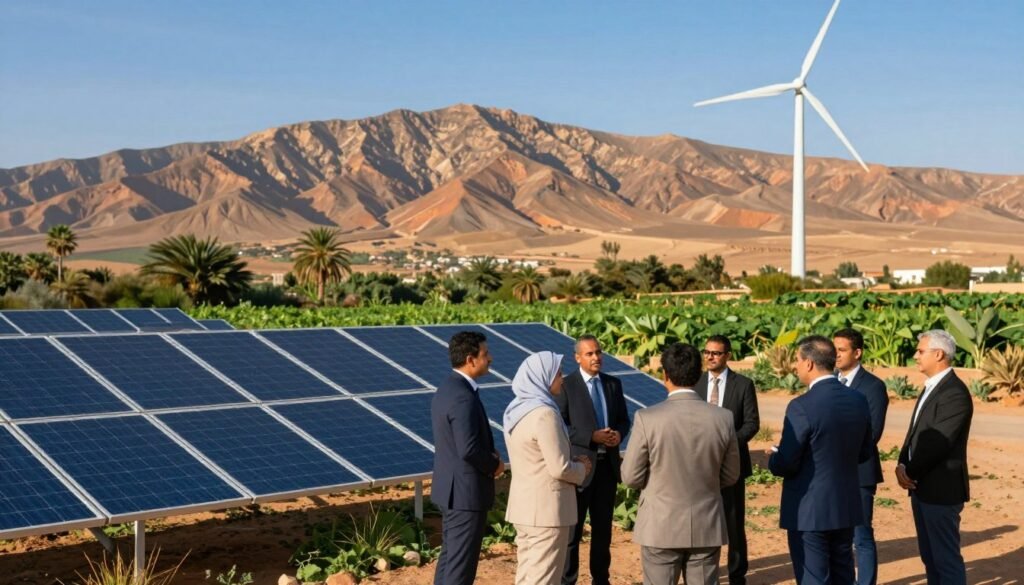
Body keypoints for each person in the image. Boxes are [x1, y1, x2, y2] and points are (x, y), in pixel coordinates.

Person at [620, 342, 740, 585]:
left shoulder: (647, 418)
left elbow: (631, 477)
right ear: (698, 375)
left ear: (665, 374)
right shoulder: (723, 418)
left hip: (660, 526)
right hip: (707, 525)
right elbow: (731, 475)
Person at [769, 336, 873, 585]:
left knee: (813, 577)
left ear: (809, 364)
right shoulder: (857, 399)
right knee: (843, 574)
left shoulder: (801, 406)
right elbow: (865, 451)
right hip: (845, 504)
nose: (795, 366)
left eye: (797, 360)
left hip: (810, 510)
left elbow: (787, 462)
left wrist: (775, 458)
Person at [504, 351, 592, 585]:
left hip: (525, 508)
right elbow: (560, 467)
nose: (562, 379)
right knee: (544, 579)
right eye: (557, 374)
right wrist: (582, 468)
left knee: (527, 575)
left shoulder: (516, 411)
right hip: (546, 512)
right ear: (542, 377)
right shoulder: (544, 414)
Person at [897, 330, 973, 585]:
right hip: (922, 487)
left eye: (921, 351)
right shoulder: (933, 387)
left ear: (938, 354)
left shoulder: (953, 393)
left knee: (945, 560)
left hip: (941, 490)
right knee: (930, 558)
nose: (915, 356)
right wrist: (901, 463)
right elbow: (916, 430)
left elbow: (937, 444)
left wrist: (910, 471)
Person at [555, 334, 632, 585]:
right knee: (573, 532)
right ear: (578, 357)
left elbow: (623, 419)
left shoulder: (612, 384)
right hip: (580, 467)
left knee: (603, 530)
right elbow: (561, 426)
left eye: (598, 352)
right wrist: (592, 436)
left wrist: (618, 434)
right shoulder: (566, 386)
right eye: (589, 354)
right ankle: (569, 580)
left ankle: (601, 579)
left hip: (607, 469)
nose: (596, 357)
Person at [431, 331, 504, 585]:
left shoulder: (448, 387)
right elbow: (469, 449)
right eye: (486, 354)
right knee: (460, 569)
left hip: (452, 491)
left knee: (451, 560)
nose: (490, 359)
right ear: (471, 359)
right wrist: (495, 464)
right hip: (465, 495)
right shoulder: (463, 397)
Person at [694, 335, 760, 585]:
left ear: (728, 356)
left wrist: (728, 443)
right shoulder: (696, 383)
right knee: (703, 520)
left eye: (716, 353)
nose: (710, 357)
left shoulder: (742, 384)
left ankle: (737, 574)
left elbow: (752, 423)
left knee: (733, 522)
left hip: (732, 463)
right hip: (701, 465)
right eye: (707, 352)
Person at [833, 328, 889, 585]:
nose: (836, 355)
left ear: (857, 352)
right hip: (830, 475)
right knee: (835, 535)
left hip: (858, 473)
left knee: (861, 536)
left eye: (841, 350)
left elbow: (872, 433)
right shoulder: (829, 381)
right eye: (834, 349)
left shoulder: (873, 386)